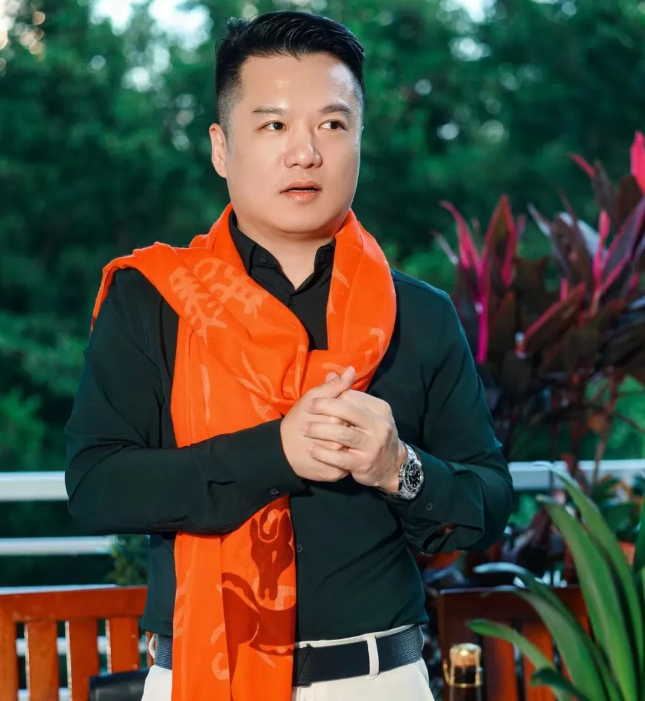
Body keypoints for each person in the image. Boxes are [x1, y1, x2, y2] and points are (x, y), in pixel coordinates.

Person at [64, 10, 513, 701]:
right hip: (199, 675)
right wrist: (275, 451)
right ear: (221, 148)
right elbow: (97, 486)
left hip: (378, 681)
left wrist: (399, 468)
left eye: (331, 125)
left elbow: (488, 501)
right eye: (273, 125)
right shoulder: (153, 299)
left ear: (359, 139)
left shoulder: (417, 314)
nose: (305, 153)